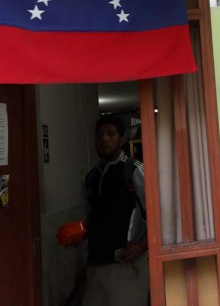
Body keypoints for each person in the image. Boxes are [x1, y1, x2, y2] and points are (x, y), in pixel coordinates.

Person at [81, 115, 149, 306]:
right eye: (100, 134)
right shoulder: (92, 177)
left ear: (122, 140)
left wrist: (142, 246)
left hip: (126, 266)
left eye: (111, 134)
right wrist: (81, 234)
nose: (104, 139)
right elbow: (92, 218)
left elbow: (158, 214)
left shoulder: (133, 171)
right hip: (96, 266)